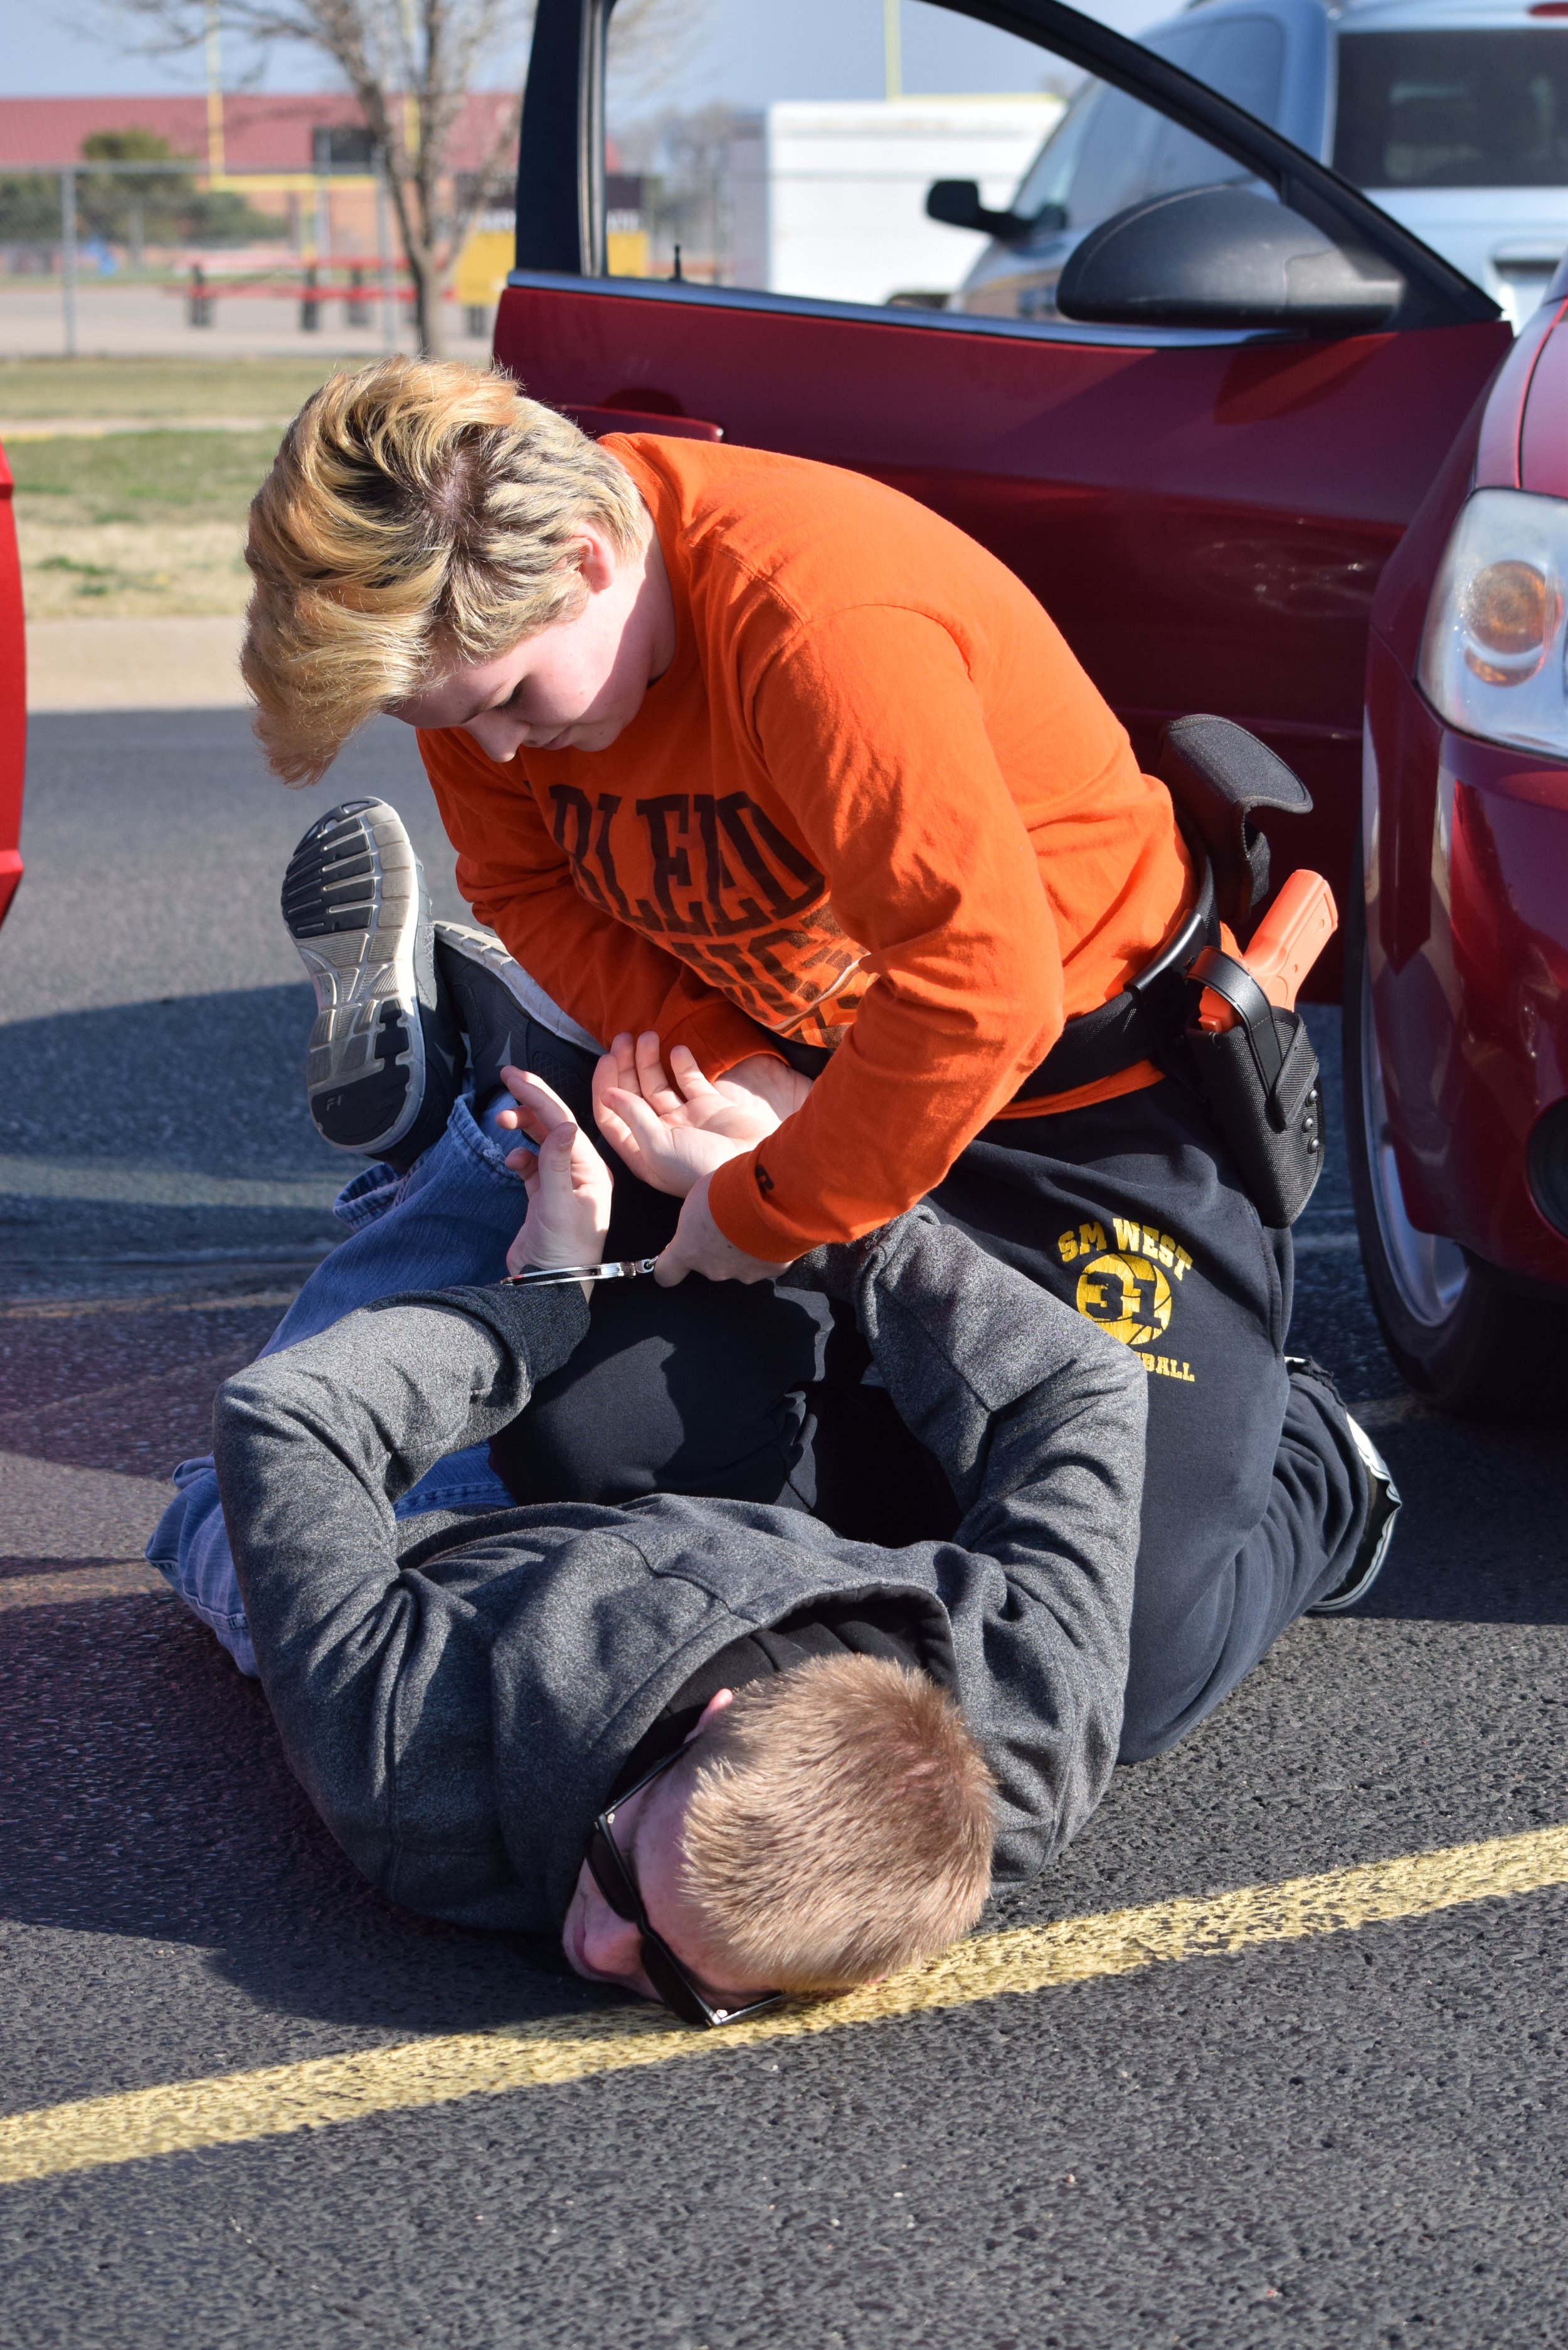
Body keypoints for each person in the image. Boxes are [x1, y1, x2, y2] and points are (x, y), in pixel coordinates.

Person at [240, 359, 1401, 1772]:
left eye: (513, 702)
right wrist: (737, 1079)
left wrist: (765, 1205)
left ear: (592, 558)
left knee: (1117, 1661)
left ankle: (1306, 1458)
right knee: (589, 1446)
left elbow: (980, 994)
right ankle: (964, 1453)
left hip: (1077, 1120)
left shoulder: (811, 621)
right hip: (797, 1092)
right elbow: (531, 889)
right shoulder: (489, 662)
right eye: (446, 724)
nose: (494, 748)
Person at [149, 953, 1150, 2021]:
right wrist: (801, 1203)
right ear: (712, 1721)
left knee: (209, 1505)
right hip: (745, 1533)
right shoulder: (1031, 1726)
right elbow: (1083, 1388)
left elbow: (289, 1420)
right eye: (629, 1879)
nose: (595, 1948)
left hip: (446, 1569)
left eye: (688, 1986)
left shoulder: (416, 1780)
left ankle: (463, 1140)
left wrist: (541, 1298)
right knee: (578, 1315)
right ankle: (561, 1107)